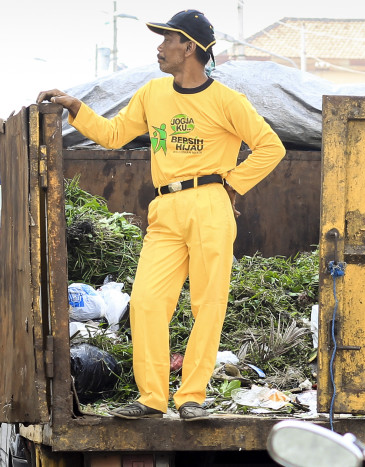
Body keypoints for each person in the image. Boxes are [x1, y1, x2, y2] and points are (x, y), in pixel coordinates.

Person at [37, 9, 285, 421]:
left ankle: (192, 397)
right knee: (148, 302)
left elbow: (270, 146)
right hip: (165, 208)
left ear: (189, 47)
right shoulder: (152, 93)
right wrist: (77, 107)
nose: (160, 46)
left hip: (210, 204)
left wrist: (234, 182)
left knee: (209, 304)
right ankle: (152, 398)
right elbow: (115, 135)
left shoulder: (227, 101)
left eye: (168, 39)